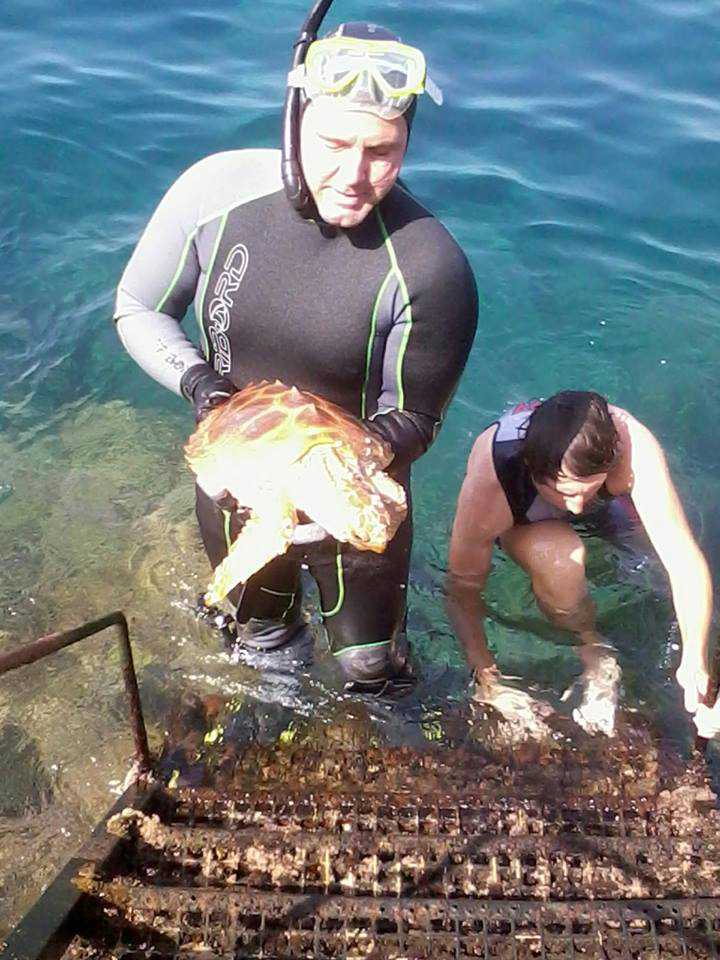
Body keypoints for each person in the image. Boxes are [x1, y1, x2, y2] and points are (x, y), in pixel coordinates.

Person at [113, 12, 478, 695]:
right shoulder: (213, 194)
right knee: (262, 647)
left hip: (351, 496)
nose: (354, 174)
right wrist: (201, 387)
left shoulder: (430, 266)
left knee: (371, 671)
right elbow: (137, 307)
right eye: (333, 142)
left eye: (383, 152)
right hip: (234, 487)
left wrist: (335, 469)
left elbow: (416, 419)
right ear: (294, 118)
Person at [446, 390, 713, 735]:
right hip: (527, 511)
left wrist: (695, 655)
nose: (573, 507)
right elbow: (461, 587)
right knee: (560, 560)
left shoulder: (632, 448)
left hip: (607, 502)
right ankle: (592, 645)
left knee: (649, 559)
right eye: (562, 492)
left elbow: (684, 562)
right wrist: (488, 680)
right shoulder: (495, 472)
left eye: (585, 490)